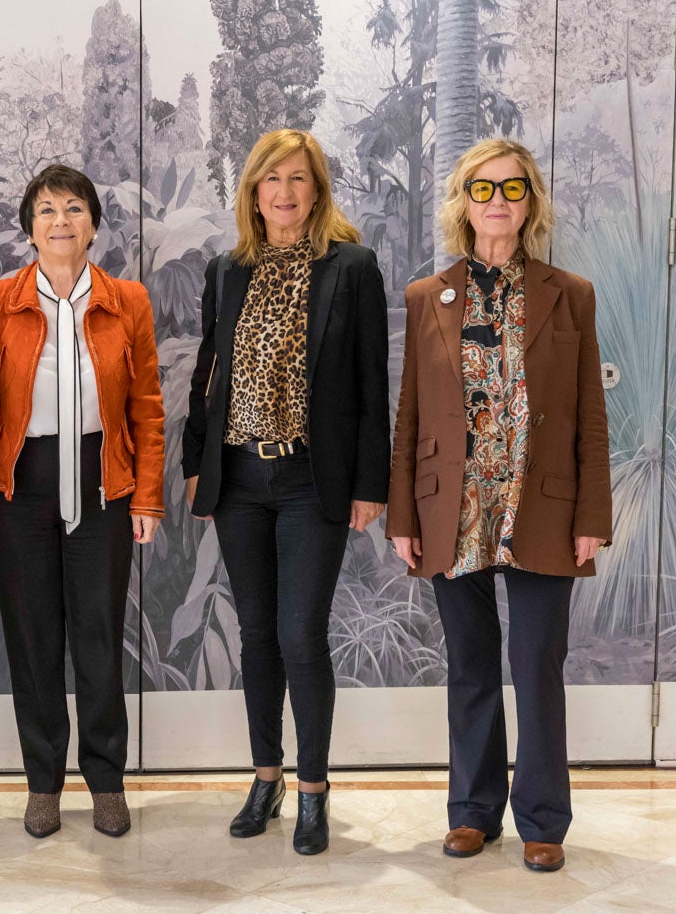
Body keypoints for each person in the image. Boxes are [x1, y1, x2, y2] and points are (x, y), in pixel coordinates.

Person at [386, 137, 612, 873]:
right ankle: (471, 813)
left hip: (539, 505)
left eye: (511, 190)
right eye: (482, 190)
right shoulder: (429, 296)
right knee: (471, 663)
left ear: (530, 203)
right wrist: (401, 518)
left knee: (535, 661)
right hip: (451, 509)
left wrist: (590, 517)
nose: (496, 204)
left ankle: (543, 820)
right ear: (463, 202)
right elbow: (410, 419)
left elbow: (587, 414)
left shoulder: (567, 292)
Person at [182, 128, 389, 856]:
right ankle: (264, 777)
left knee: (301, 635)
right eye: (270, 179)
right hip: (237, 476)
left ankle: (311, 790)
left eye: (297, 178)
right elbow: (206, 374)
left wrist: (371, 483)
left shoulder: (351, 267)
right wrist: (192, 463)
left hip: (310, 478)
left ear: (317, 188)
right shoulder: (226, 269)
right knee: (257, 635)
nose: (284, 192)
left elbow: (370, 381)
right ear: (252, 191)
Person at [0, 164, 165, 839]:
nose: (59, 221)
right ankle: (43, 783)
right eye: (46, 209)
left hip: (102, 476)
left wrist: (145, 497)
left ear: (93, 226)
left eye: (73, 208)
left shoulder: (125, 299)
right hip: (21, 479)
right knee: (33, 636)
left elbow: (146, 407)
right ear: (28, 228)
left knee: (99, 635)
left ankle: (106, 781)